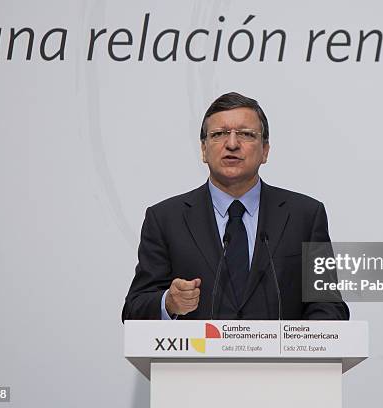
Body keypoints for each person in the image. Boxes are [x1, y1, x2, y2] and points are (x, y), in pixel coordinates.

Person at [122, 92, 349, 320]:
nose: (232, 144)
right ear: (203, 149)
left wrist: (300, 345)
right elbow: (133, 309)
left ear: (265, 151)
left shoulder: (305, 216)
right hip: (197, 355)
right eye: (219, 134)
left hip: (279, 356)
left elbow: (329, 304)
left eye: (246, 134)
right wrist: (168, 303)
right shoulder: (165, 219)